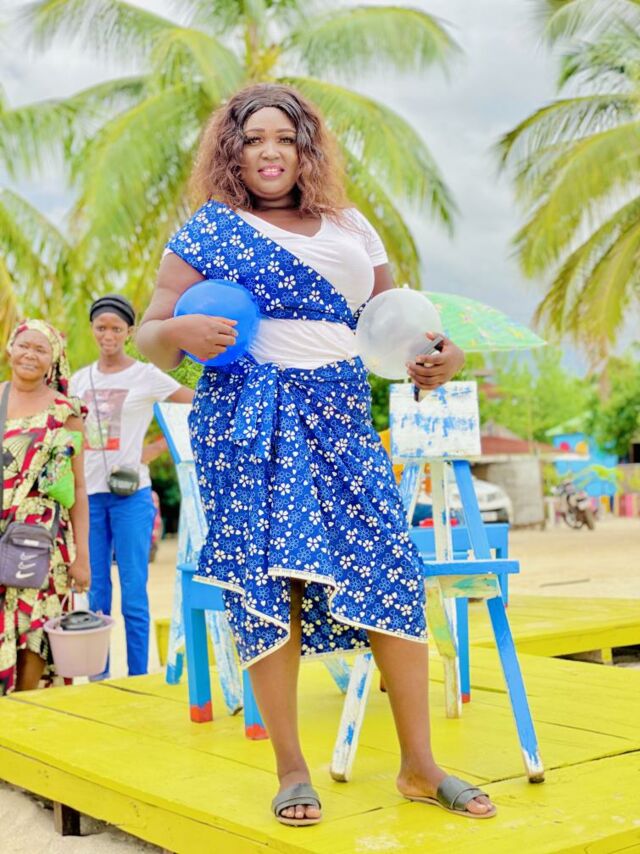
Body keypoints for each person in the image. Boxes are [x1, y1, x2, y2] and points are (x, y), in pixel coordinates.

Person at [137, 83, 496, 824]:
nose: (269, 152)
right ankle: (292, 769)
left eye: (285, 138)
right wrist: (177, 333)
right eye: (253, 139)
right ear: (232, 151)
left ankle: (419, 767)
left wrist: (442, 354)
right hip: (250, 421)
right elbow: (150, 332)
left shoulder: (351, 226)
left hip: (340, 415)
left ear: (306, 149)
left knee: (391, 567)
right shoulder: (209, 230)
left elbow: (394, 323)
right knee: (275, 583)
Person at [69, 295, 193, 678]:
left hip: (131, 497)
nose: (108, 335)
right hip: (89, 499)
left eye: (116, 328)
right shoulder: (78, 380)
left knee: (134, 593)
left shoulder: (145, 375)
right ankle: (99, 678)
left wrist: (153, 449)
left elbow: (193, 404)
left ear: (129, 332)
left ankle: (139, 676)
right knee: (96, 594)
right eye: (101, 327)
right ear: (93, 329)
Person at [0, 319, 90, 696]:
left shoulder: (65, 412)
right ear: (10, 349)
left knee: (36, 626)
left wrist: (82, 557)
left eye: (41, 349)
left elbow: (79, 487)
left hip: (43, 541)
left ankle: (25, 706)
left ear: (54, 360)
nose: (30, 354)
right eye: (24, 345)